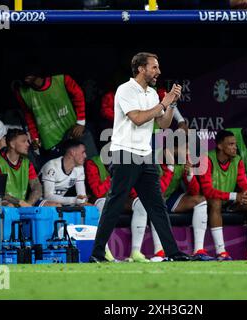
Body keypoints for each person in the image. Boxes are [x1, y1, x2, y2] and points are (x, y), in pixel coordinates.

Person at [89, 52, 190, 262]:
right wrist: (164, 103)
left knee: (157, 206)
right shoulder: (125, 90)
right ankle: (97, 253)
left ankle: (173, 253)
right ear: (141, 69)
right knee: (115, 204)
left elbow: (162, 124)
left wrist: (170, 105)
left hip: (145, 155)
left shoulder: (152, 94)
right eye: (154, 67)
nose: (158, 72)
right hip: (124, 153)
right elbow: (137, 118)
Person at [198, 130, 247, 260]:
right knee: (216, 202)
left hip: (229, 201)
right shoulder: (206, 159)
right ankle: (221, 252)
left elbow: (244, 183)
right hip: (208, 203)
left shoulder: (237, 160)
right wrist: (235, 196)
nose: (235, 147)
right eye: (230, 144)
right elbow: (208, 191)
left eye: (235, 144)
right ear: (220, 146)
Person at [14, 67, 98, 161]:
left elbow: (78, 95)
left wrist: (81, 122)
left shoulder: (61, 79)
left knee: (92, 164)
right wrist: (35, 138)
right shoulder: (22, 93)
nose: (26, 75)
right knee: (62, 172)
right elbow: (29, 116)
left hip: (73, 132)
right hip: (51, 140)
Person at [150, 142, 213, 261]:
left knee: (200, 200)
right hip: (151, 201)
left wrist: (190, 174)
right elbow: (158, 192)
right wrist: (170, 168)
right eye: (186, 149)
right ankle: (159, 251)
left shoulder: (181, 160)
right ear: (172, 149)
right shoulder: (155, 161)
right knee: (156, 204)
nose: (188, 152)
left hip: (169, 199)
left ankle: (199, 251)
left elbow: (194, 192)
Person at [85, 153, 151, 262]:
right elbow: (98, 192)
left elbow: (134, 191)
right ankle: (105, 251)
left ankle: (135, 251)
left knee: (141, 203)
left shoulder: (127, 161)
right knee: (102, 204)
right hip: (101, 199)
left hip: (120, 198)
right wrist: (113, 179)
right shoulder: (93, 163)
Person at [0, 129, 58, 207]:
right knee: (10, 206)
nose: (28, 144)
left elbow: (37, 187)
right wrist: (19, 202)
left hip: (24, 202)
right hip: (3, 202)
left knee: (55, 205)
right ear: (12, 144)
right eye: (23, 141)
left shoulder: (27, 163)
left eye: (27, 141)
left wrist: (28, 204)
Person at [40, 139, 88, 206]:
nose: (85, 156)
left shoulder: (80, 168)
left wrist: (82, 201)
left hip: (60, 203)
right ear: (72, 152)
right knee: (56, 206)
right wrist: (74, 200)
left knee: (88, 208)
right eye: (83, 152)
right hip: (39, 201)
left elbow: (82, 196)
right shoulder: (52, 166)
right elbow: (48, 196)